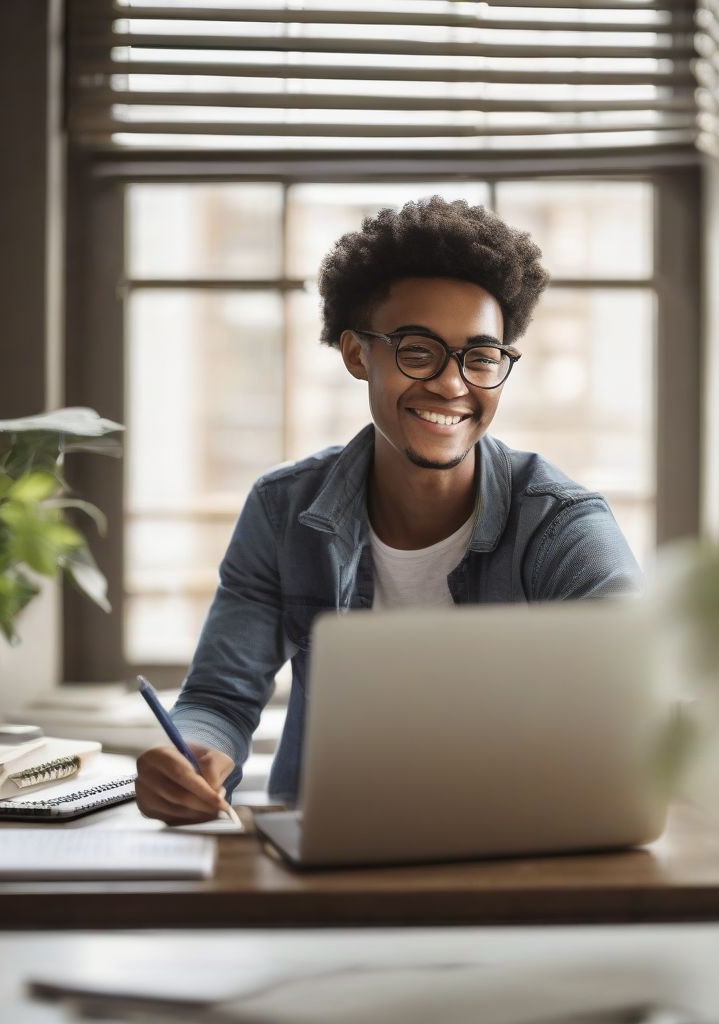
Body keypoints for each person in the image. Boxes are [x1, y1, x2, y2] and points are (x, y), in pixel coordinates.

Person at [135, 196, 641, 825]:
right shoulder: (282, 511)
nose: (453, 385)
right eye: (418, 351)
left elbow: (635, 703)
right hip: (331, 851)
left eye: (481, 357)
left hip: (518, 848)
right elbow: (220, 698)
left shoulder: (563, 527)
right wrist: (192, 754)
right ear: (356, 354)